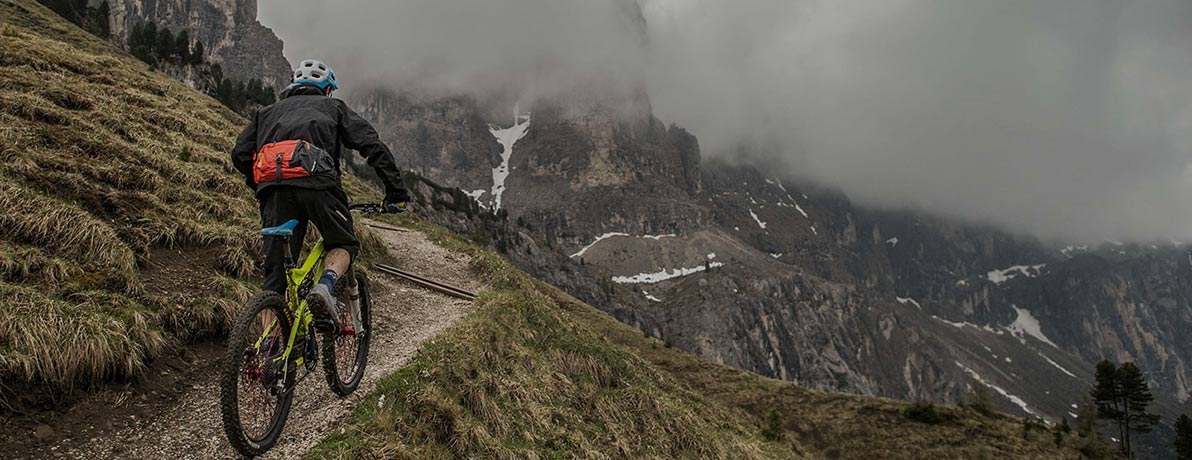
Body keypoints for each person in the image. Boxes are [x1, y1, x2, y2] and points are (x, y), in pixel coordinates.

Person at [231, 59, 409, 331]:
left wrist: (260, 187)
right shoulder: (333, 107)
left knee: (275, 280)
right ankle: (324, 287)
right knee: (344, 243)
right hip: (318, 184)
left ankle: (268, 357)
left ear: (293, 86)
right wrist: (395, 192)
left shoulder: (266, 113)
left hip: (273, 188)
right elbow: (372, 146)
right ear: (327, 90)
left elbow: (240, 154)